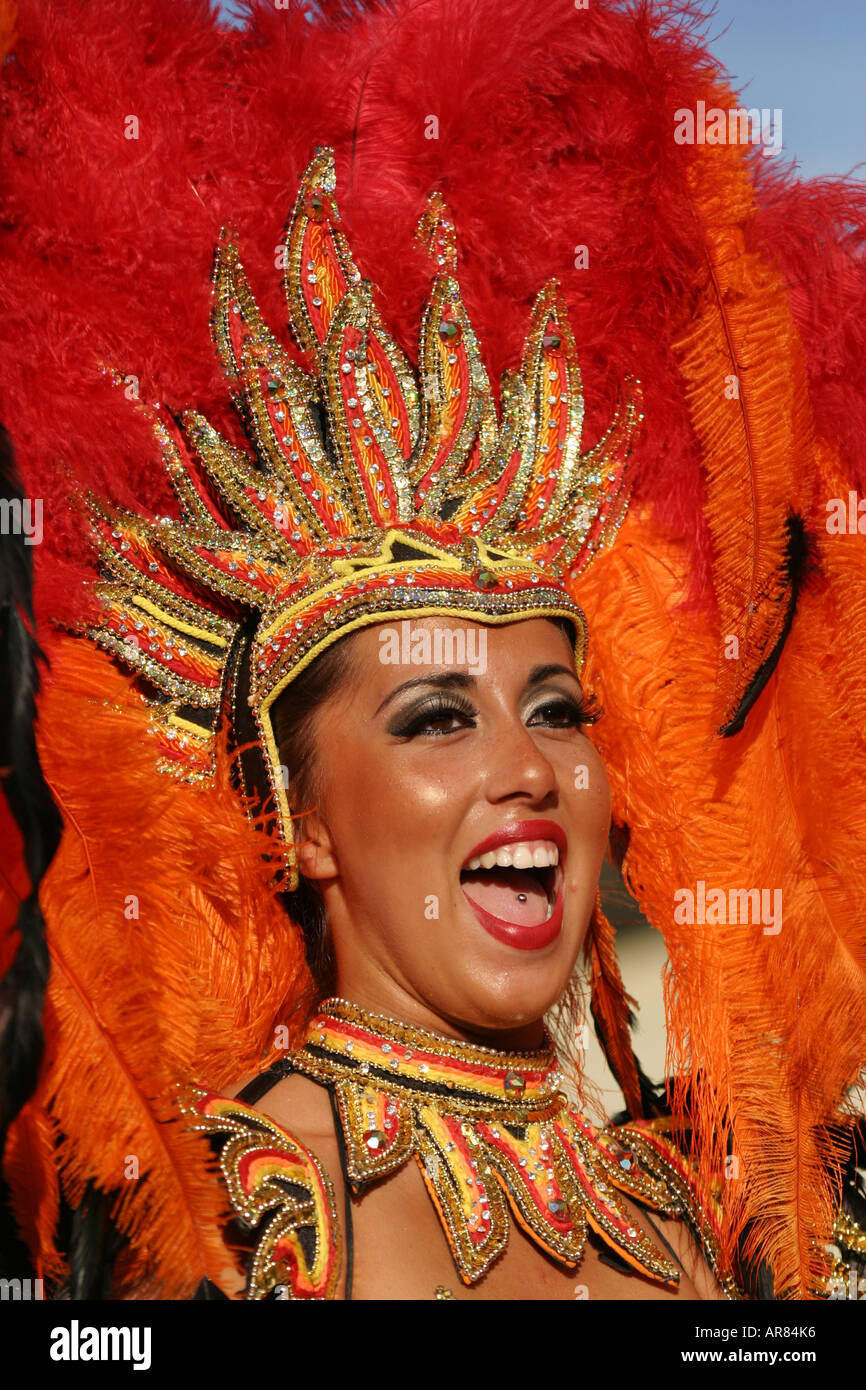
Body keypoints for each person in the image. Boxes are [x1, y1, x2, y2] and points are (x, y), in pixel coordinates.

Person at [2, 0, 865, 1306]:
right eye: (433, 718)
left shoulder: (739, 1212)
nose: (528, 767)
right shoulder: (223, 1245)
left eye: (558, 708)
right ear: (302, 825)